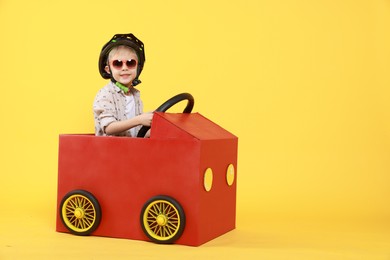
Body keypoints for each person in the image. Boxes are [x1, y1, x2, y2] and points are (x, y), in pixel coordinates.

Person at [93, 33, 153, 137]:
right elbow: (109, 128)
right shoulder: (106, 94)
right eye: (117, 63)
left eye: (130, 63)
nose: (124, 68)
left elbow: (138, 133)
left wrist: (156, 128)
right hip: (109, 151)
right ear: (108, 69)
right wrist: (139, 120)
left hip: (130, 150)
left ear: (138, 67)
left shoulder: (135, 95)